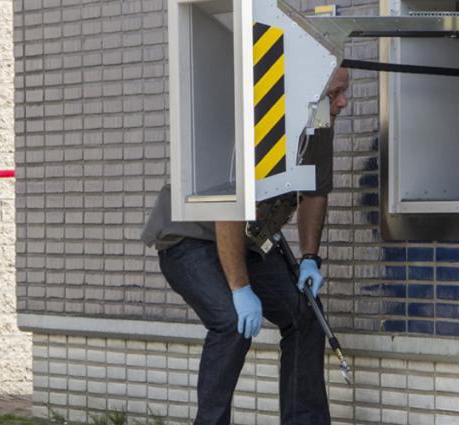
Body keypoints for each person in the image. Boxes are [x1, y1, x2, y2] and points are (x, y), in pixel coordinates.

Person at [142, 68, 350, 425]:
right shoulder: (261, 123)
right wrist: (240, 289)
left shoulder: (318, 131)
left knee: (305, 315)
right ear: (307, 91)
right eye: (334, 94)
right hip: (191, 237)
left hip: (249, 239)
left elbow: (315, 193)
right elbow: (229, 208)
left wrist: (310, 260)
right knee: (230, 320)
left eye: (346, 92)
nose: (343, 103)